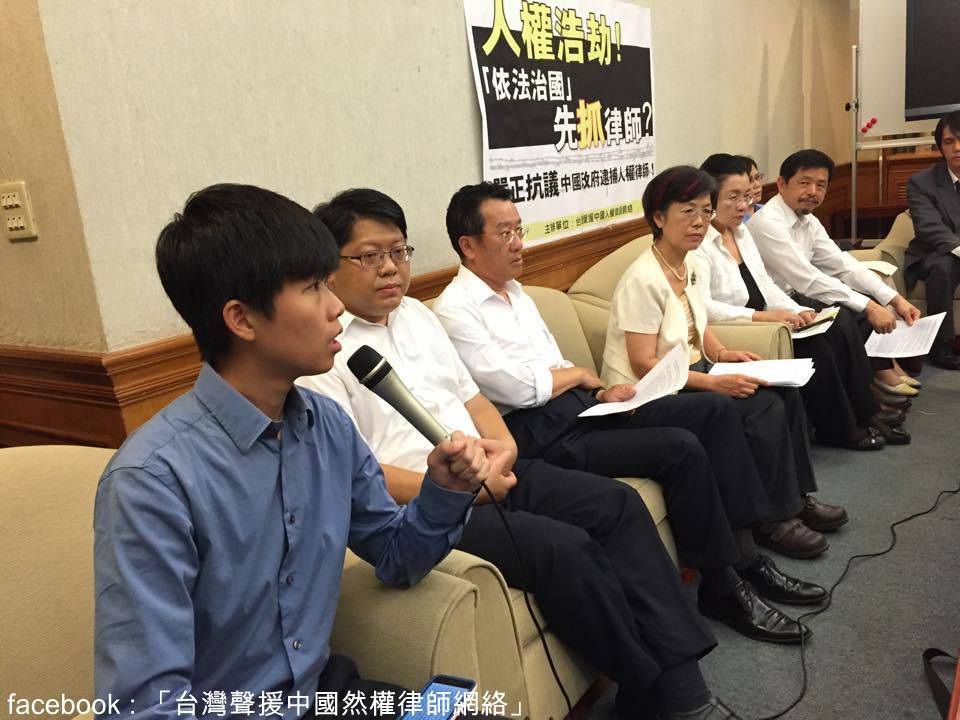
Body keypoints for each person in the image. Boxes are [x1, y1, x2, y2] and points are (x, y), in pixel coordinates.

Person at [300, 188, 743, 720]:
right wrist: (454, 489)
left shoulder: (417, 314)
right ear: (329, 268)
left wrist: (505, 453)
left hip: (492, 468)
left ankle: (680, 678)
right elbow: (360, 474)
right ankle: (650, 684)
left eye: (399, 252)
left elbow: (474, 400)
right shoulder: (322, 354)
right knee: (565, 549)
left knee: (617, 504)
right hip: (424, 504)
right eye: (371, 256)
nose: (391, 268)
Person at [94, 184, 503, 720]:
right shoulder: (152, 480)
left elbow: (397, 558)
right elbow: (146, 705)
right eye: (313, 287)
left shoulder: (327, 426)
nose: (336, 307)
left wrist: (444, 490)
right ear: (242, 319)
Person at [433, 182, 832, 626]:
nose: (518, 243)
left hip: (581, 406)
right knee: (680, 447)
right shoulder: (455, 309)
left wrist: (599, 391)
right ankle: (723, 585)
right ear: (469, 245)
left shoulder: (517, 293)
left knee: (714, 412)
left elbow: (551, 365)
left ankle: (747, 557)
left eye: (519, 230)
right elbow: (517, 388)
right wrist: (579, 377)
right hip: (538, 433)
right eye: (505, 233)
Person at [598, 166, 845, 572]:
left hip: (689, 371)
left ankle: (793, 501)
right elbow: (643, 363)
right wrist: (713, 383)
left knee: (781, 393)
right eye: (687, 211)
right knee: (755, 408)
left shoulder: (688, 264)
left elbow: (699, 323)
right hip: (646, 392)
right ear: (658, 217)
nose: (699, 222)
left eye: (705, 211)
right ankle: (772, 520)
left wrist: (722, 353)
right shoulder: (642, 278)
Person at [696, 153, 908, 449]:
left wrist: (799, 311)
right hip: (738, 327)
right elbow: (701, 306)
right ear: (708, 198)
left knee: (835, 323)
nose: (743, 206)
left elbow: (766, 285)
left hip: (767, 318)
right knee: (815, 345)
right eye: (733, 197)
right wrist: (761, 317)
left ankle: (866, 413)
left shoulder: (740, 232)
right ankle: (841, 428)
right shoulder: (699, 242)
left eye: (746, 196)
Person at [749, 149, 924, 399]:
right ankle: (871, 388)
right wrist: (870, 307)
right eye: (805, 183)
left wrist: (894, 299)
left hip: (799, 295)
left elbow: (842, 263)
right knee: (851, 315)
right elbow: (806, 277)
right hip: (777, 303)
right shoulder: (768, 222)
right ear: (781, 184)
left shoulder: (808, 220)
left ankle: (879, 377)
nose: (813, 191)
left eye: (821, 185)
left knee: (863, 301)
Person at [906, 110, 960, 370]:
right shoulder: (921, 183)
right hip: (936, 252)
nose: (957, 147)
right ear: (940, 147)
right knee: (944, 266)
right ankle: (941, 344)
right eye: (949, 141)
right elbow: (930, 228)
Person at [738, 155, 765, 221]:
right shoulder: (736, 220)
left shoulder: (766, 209)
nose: (757, 185)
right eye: (749, 180)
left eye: (757, 177)